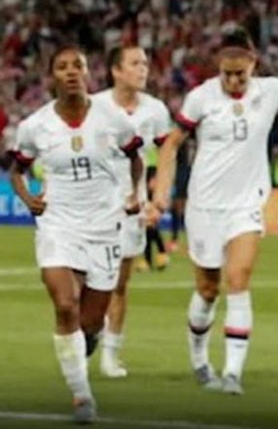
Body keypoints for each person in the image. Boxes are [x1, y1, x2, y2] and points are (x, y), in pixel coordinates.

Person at [149, 30, 278, 396]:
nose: (234, 81)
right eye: (227, 74)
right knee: (207, 289)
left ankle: (233, 372)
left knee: (238, 279)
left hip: (246, 205)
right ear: (218, 66)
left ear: (254, 64)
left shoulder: (272, 90)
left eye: (241, 74)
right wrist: (161, 191)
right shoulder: (201, 98)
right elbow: (172, 143)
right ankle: (199, 358)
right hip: (205, 206)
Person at [9, 43, 143, 423]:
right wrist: (28, 198)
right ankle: (82, 396)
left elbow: (135, 159)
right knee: (65, 304)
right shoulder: (35, 125)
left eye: (77, 66)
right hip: (58, 223)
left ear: (87, 73)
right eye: (62, 67)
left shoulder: (112, 118)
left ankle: (88, 341)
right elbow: (17, 170)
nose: (71, 72)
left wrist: (135, 193)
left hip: (104, 226)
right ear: (52, 76)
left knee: (90, 322)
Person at [96, 45, 171, 379]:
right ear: (116, 70)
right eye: (135, 63)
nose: (143, 69)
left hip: (131, 206)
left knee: (119, 283)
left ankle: (110, 355)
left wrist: (159, 198)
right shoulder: (94, 106)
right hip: (92, 205)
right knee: (84, 280)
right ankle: (88, 330)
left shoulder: (155, 110)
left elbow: (167, 153)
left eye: (145, 63)